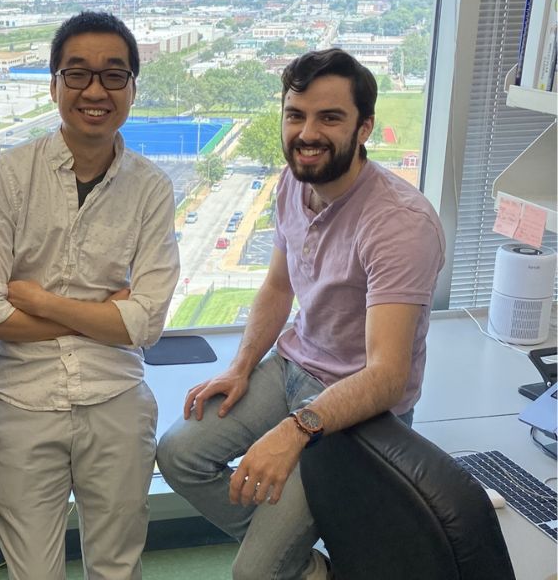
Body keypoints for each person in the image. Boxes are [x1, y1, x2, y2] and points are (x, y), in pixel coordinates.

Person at [156, 49, 445, 580]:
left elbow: (386, 375)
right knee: (178, 454)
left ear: (364, 128)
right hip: (292, 366)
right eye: (296, 115)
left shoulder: (400, 225)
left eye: (329, 118)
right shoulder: (294, 182)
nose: (307, 133)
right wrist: (241, 366)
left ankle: (280, 560)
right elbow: (277, 285)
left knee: (252, 576)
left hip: (359, 407)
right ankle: (306, 565)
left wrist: (293, 432)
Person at [0, 11, 180, 580]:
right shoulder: (8, 177)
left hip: (116, 396)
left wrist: (39, 301)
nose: (95, 90)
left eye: (114, 75)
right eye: (77, 73)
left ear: (133, 86)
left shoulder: (152, 188)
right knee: (34, 574)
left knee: (116, 568)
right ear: (54, 84)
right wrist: (104, 314)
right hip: (23, 399)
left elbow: (147, 322)